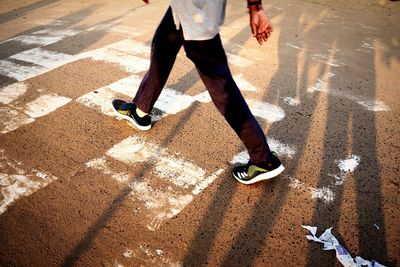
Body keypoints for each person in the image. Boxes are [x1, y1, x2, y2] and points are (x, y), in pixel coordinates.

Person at [112, 0, 285, 184]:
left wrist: (255, 7)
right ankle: (140, 110)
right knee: (163, 44)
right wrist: (255, 7)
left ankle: (263, 159)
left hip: (198, 16)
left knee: (222, 89)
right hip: (187, 10)